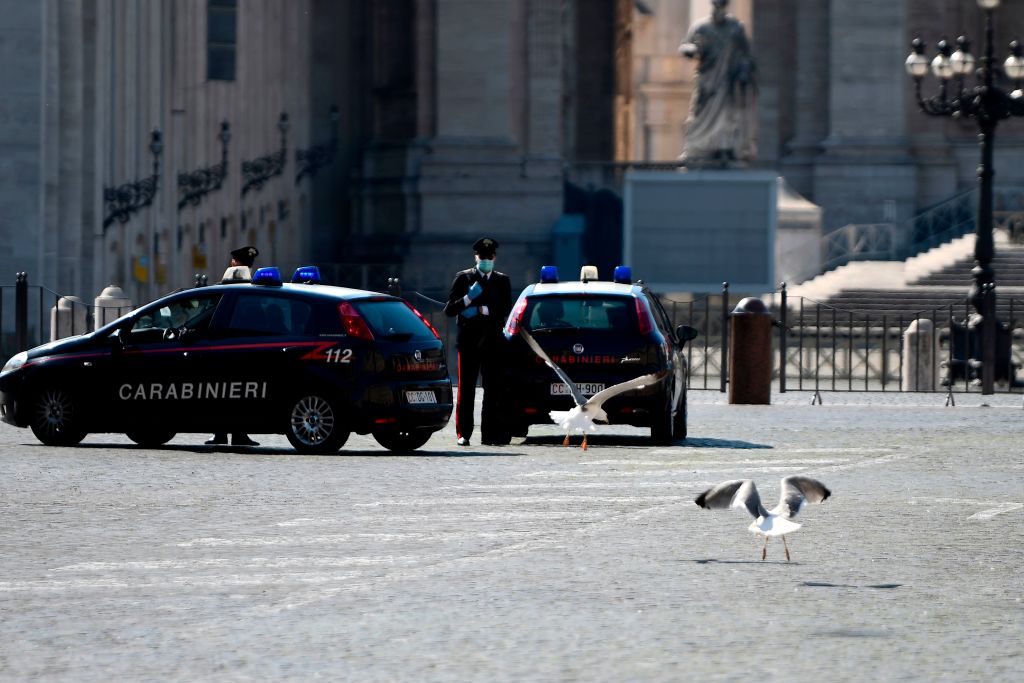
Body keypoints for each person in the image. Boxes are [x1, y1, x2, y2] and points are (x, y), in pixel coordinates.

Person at [444, 237, 513, 446]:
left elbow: (505, 310)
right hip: (469, 344)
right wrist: (468, 299)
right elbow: (450, 310)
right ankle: (463, 434)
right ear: (476, 257)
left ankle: (489, 434)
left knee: (492, 390)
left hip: (492, 343)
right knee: (466, 390)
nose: (485, 260)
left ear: (494, 257)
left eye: (488, 257)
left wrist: (484, 310)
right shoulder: (464, 278)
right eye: (481, 257)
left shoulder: (502, 281)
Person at [678, 0, 757, 166]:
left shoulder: (736, 27)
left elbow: (747, 55)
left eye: (721, 4)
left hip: (727, 81)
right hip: (707, 80)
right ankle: (698, 149)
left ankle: (725, 147)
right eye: (716, 4)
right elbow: (685, 45)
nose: (718, 7)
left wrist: (744, 70)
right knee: (699, 113)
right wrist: (690, 49)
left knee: (728, 114)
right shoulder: (700, 26)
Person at [206, 245, 261, 447]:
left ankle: (222, 433)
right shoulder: (254, 292)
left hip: (223, 350)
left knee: (221, 393)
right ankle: (236, 433)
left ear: (233, 263)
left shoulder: (224, 290)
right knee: (238, 394)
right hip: (243, 351)